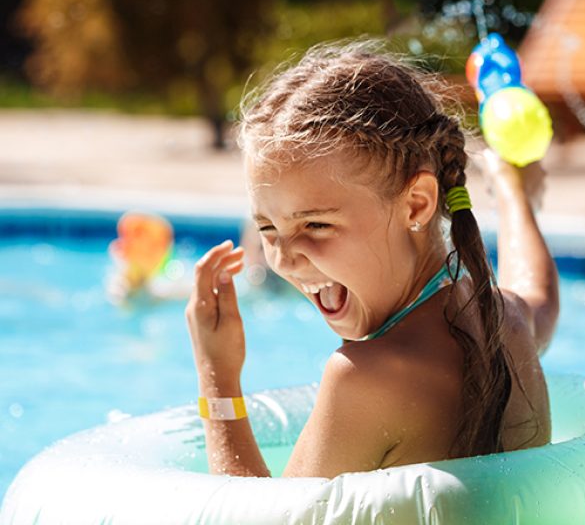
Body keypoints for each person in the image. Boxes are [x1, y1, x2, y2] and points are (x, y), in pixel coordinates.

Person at [185, 41, 559, 478]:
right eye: (268, 229)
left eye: (316, 225)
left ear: (417, 205)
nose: (283, 260)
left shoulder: (365, 378)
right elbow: (539, 296)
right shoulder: (503, 320)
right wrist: (515, 192)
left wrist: (218, 376)